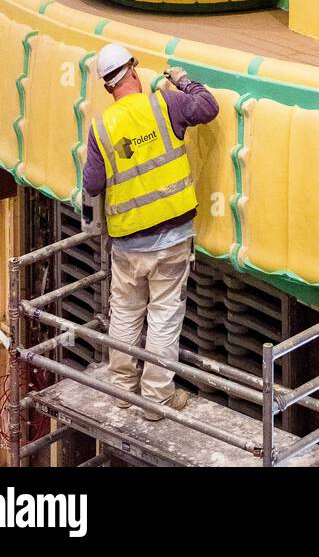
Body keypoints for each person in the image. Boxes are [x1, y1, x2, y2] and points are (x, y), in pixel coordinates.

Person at [82, 43, 218, 419]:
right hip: (173, 238)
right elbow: (208, 107)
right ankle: (156, 400)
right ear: (134, 73)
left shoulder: (101, 128)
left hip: (128, 243)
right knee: (163, 317)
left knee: (125, 314)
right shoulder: (165, 104)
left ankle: (124, 392)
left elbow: (92, 184)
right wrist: (183, 80)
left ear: (109, 87)